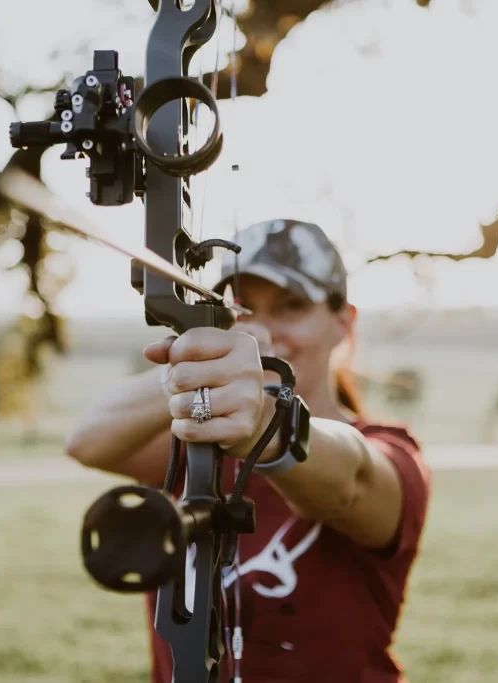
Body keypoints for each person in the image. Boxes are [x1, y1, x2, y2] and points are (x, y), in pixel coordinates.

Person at [66, 218, 432, 683]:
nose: (262, 331)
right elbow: (86, 438)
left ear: (343, 323)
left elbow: (351, 482)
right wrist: (192, 371)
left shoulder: (391, 451)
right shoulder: (196, 438)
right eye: (242, 308)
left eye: (291, 306)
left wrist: (265, 422)